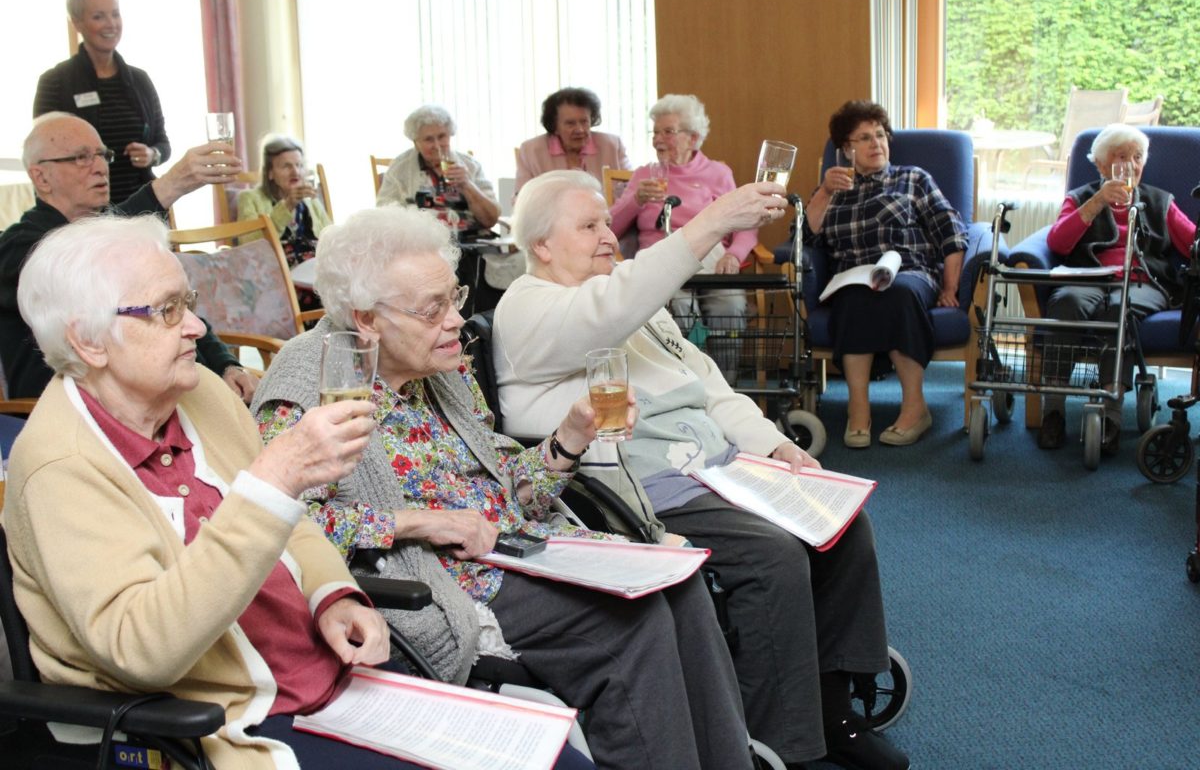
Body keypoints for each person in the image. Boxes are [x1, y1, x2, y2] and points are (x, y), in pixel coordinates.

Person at [1, 215, 601, 769]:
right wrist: (273, 481)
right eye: (164, 311)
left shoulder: (200, 395)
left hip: (335, 682)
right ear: (89, 342)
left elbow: (297, 525)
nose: (196, 327)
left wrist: (332, 594)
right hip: (231, 722)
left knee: (552, 757)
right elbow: (143, 649)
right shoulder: (62, 466)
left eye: (187, 302)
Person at [251, 205, 757, 770]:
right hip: (444, 578)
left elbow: (509, 489)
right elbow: (279, 525)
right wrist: (415, 521)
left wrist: (568, 438)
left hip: (522, 548)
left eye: (454, 299)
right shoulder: (313, 384)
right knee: (632, 630)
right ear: (366, 319)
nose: (454, 323)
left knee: (682, 590)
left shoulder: (440, 369)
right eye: (431, 309)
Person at [492, 170, 909, 770]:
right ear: (541, 246)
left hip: (718, 466)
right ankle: (788, 743)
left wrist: (773, 447)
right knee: (772, 554)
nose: (608, 236)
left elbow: (709, 390)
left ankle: (833, 706)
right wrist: (713, 222)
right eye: (588, 226)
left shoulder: (631, 303)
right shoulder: (527, 308)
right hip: (640, 485)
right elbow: (606, 311)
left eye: (607, 222)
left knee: (838, 525)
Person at [0, 112, 257, 403]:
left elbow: (178, 310)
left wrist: (226, 364)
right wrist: (167, 186)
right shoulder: (19, 246)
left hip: (157, 400)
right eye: (82, 157)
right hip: (78, 415)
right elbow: (83, 260)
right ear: (41, 176)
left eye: (102, 154)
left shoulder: (106, 232)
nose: (99, 167)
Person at [805, 100, 967, 448]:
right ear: (845, 150)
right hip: (854, 275)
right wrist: (823, 192)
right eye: (863, 138)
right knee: (853, 297)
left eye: (880, 135)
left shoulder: (913, 178)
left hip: (911, 272)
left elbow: (951, 233)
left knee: (898, 293)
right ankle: (858, 409)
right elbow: (806, 237)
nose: (875, 143)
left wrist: (950, 287)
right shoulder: (833, 188)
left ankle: (914, 408)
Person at [1037, 123, 1196, 452]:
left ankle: (1110, 416)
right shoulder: (1080, 198)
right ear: (1100, 164)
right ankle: (1052, 410)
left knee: (1119, 309)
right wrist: (1096, 201)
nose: (1132, 164)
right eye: (1121, 156)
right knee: (1065, 301)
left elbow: (1193, 241)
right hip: (1087, 278)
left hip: (1141, 283)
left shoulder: (1159, 201)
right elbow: (1058, 243)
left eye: (1138, 157)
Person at [609, 93, 752, 337]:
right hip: (660, 258)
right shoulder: (644, 175)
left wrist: (734, 256)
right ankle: (683, 374)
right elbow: (610, 228)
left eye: (668, 132)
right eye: (654, 133)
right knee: (679, 309)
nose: (657, 140)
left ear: (693, 138)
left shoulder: (717, 173)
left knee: (730, 306)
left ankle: (722, 376)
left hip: (710, 256)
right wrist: (636, 200)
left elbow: (745, 223)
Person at [34, 0, 169, 203]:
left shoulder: (140, 80)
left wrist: (152, 155)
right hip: (83, 212)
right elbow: (42, 156)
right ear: (77, 23)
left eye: (115, 14)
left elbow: (163, 143)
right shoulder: (55, 82)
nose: (111, 24)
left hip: (140, 204)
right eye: (99, 17)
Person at [376, 104, 507, 314]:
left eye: (442, 136)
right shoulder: (400, 170)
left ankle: (483, 324)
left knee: (503, 264)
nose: (437, 145)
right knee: (456, 260)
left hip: (473, 242)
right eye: (429, 139)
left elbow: (491, 218)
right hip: (425, 244)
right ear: (415, 142)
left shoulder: (469, 166)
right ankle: (458, 319)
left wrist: (467, 185)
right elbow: (385, 214)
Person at [237, 134, 332, 268]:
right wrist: (287, 205)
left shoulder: (309, 199)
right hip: (276, 272)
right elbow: (249, 245)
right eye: (286, 166)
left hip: (317, 270)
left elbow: (331, 235)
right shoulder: (249, 198)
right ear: (269, 172)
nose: (296, 172)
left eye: (299, 165)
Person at [515, 87, 630, 193]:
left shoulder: (612, 145)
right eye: (570, 123)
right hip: (553, 215)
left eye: (584, 121)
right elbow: (520, 199)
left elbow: (631, 190)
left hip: (605, 214)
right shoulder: (531, 151)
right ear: (554, 126)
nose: (580, 129)